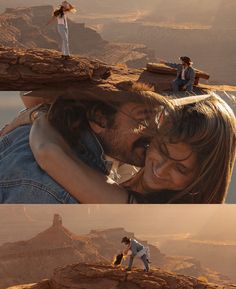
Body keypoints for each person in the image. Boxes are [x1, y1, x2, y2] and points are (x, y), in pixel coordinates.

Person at [27, 93, 236, 204]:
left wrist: (40, 115)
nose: (161, 171)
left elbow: (48, 151)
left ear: (204, 177)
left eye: (181, 169)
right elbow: (31, 93)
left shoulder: (143, 208)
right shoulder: (128, 167)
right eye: (162, 150)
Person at [0, 84, 169, 203]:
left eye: (157, 119)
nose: (156, 133)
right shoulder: (53, 195)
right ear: (100, 119)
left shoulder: (54, 130)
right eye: (143, 120)